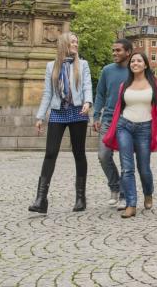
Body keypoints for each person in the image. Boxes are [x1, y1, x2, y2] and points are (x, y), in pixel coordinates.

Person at [29, 32, 93, 214]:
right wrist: (40, 116)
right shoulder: (51, 66)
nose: (76, 44)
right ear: (64, 43)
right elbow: (48, 93)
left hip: (78, 111)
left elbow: (87, 85)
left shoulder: (83, 65)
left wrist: (88, 102)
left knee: (79, 153)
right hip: (58, 112)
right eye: (73, 41)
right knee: (50, 153)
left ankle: (80, 198)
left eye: (77, 42)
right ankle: (41, 199)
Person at [111, 52, 157, 218]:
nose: (135, 63)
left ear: (145, 64)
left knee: (144, 169)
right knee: (127, 168)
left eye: (139, 61)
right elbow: (118, 107)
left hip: (145, 128)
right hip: (125, 126)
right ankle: (131, 204)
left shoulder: (155, 84)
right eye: (133, 61)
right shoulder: (125, 85)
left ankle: (148, 192)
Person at [92, 39, 132, 209]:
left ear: (128, 52)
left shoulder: (135, 70)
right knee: (103, 155)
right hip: (108, 119)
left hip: (128, 120)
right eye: (113, 50)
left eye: (118, 50)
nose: (114, 53)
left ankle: (124, 194)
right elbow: (100, 94)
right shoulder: (107, 70)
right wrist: (96, 116)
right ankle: (114, 187)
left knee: (125, 159)